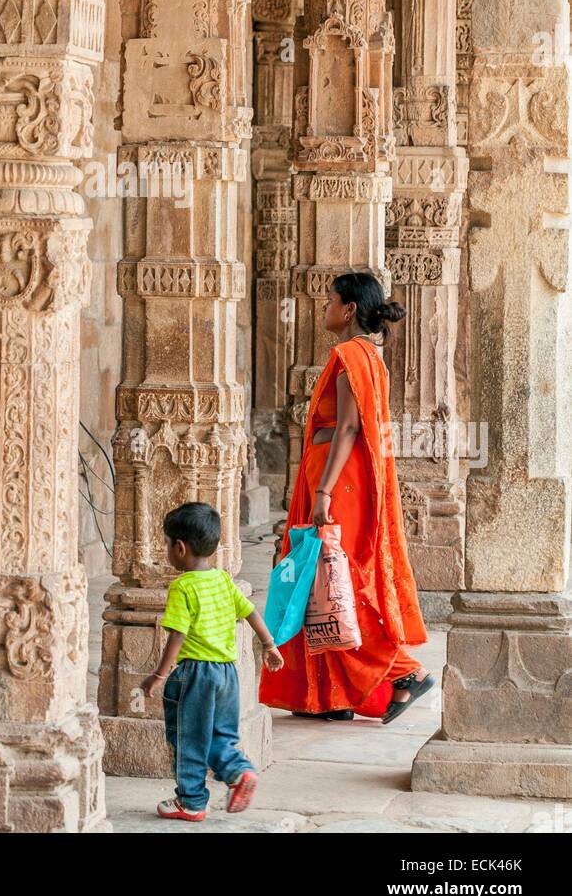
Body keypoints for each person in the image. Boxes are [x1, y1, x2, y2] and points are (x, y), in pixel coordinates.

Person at [259, 272, 434, 724]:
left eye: (329, 301)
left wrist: (323, 491)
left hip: (339, 480)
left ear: (349, 309)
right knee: (324, 578)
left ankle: (403, 673)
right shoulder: (367, 356)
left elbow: (349, 428)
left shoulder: (349, 355)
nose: (324, 309)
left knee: (340, 578)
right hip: (338, 473)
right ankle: (332, 694)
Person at [141, 502, 284, 822]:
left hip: (195, 675)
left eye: (167, 544)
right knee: (220, 734)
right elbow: (250, 612)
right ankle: (238, 771)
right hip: (227, 674)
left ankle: (191, 801)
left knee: (188, 737)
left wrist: (159, 675)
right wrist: (269, 645)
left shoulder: (182, 586)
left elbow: (177, 636)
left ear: (179, 547)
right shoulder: (222, 579)